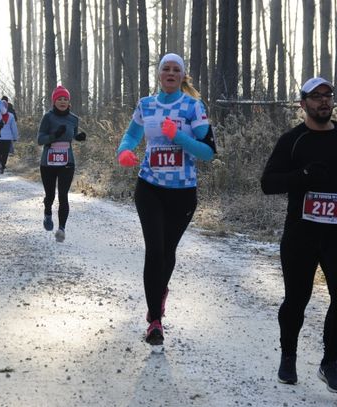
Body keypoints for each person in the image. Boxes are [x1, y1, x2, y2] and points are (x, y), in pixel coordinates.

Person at [260, 77, 337, 393]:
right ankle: (288, 356)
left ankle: (329, 362)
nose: (324, 101)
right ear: (303, 104)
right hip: (301, 233)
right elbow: (268, 183)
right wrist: (303, 176)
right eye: (316, 96)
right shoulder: (293, 141)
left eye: (328, 95)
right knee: (297, 298)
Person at [116, 53, 216, 347]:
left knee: (168, 251)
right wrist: (124, 151)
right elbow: (131, 135)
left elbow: (208, 153)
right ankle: (155, 320)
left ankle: (158, 294)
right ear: (159, 75)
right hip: (150, 187)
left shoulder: (193, 107)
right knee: (154, 250)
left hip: (183, 192)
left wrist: (180, 138)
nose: (170, 73)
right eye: (165, 69)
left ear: (182, 76)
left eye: (176, 70)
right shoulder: (146, 105)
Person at [37, 85, 86, 243]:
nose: (63, 101)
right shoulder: (48, 117)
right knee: (50, 195)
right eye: (60, 99)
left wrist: (78, 137)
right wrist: (54, 136)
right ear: (54, 101)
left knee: (63, 195)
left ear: (69, 101)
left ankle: (62, 229)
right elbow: (40, 140)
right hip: (48, 162)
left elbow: (73, 135)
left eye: (65, 99)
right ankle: (47, 213)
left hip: (67, 161)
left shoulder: (73, 118)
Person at [0, 100, 19, 174]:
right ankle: (3, 165)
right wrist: (15, 137)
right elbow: (14, 128)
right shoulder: (11, 116)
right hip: (7, 138)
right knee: (5, 152)